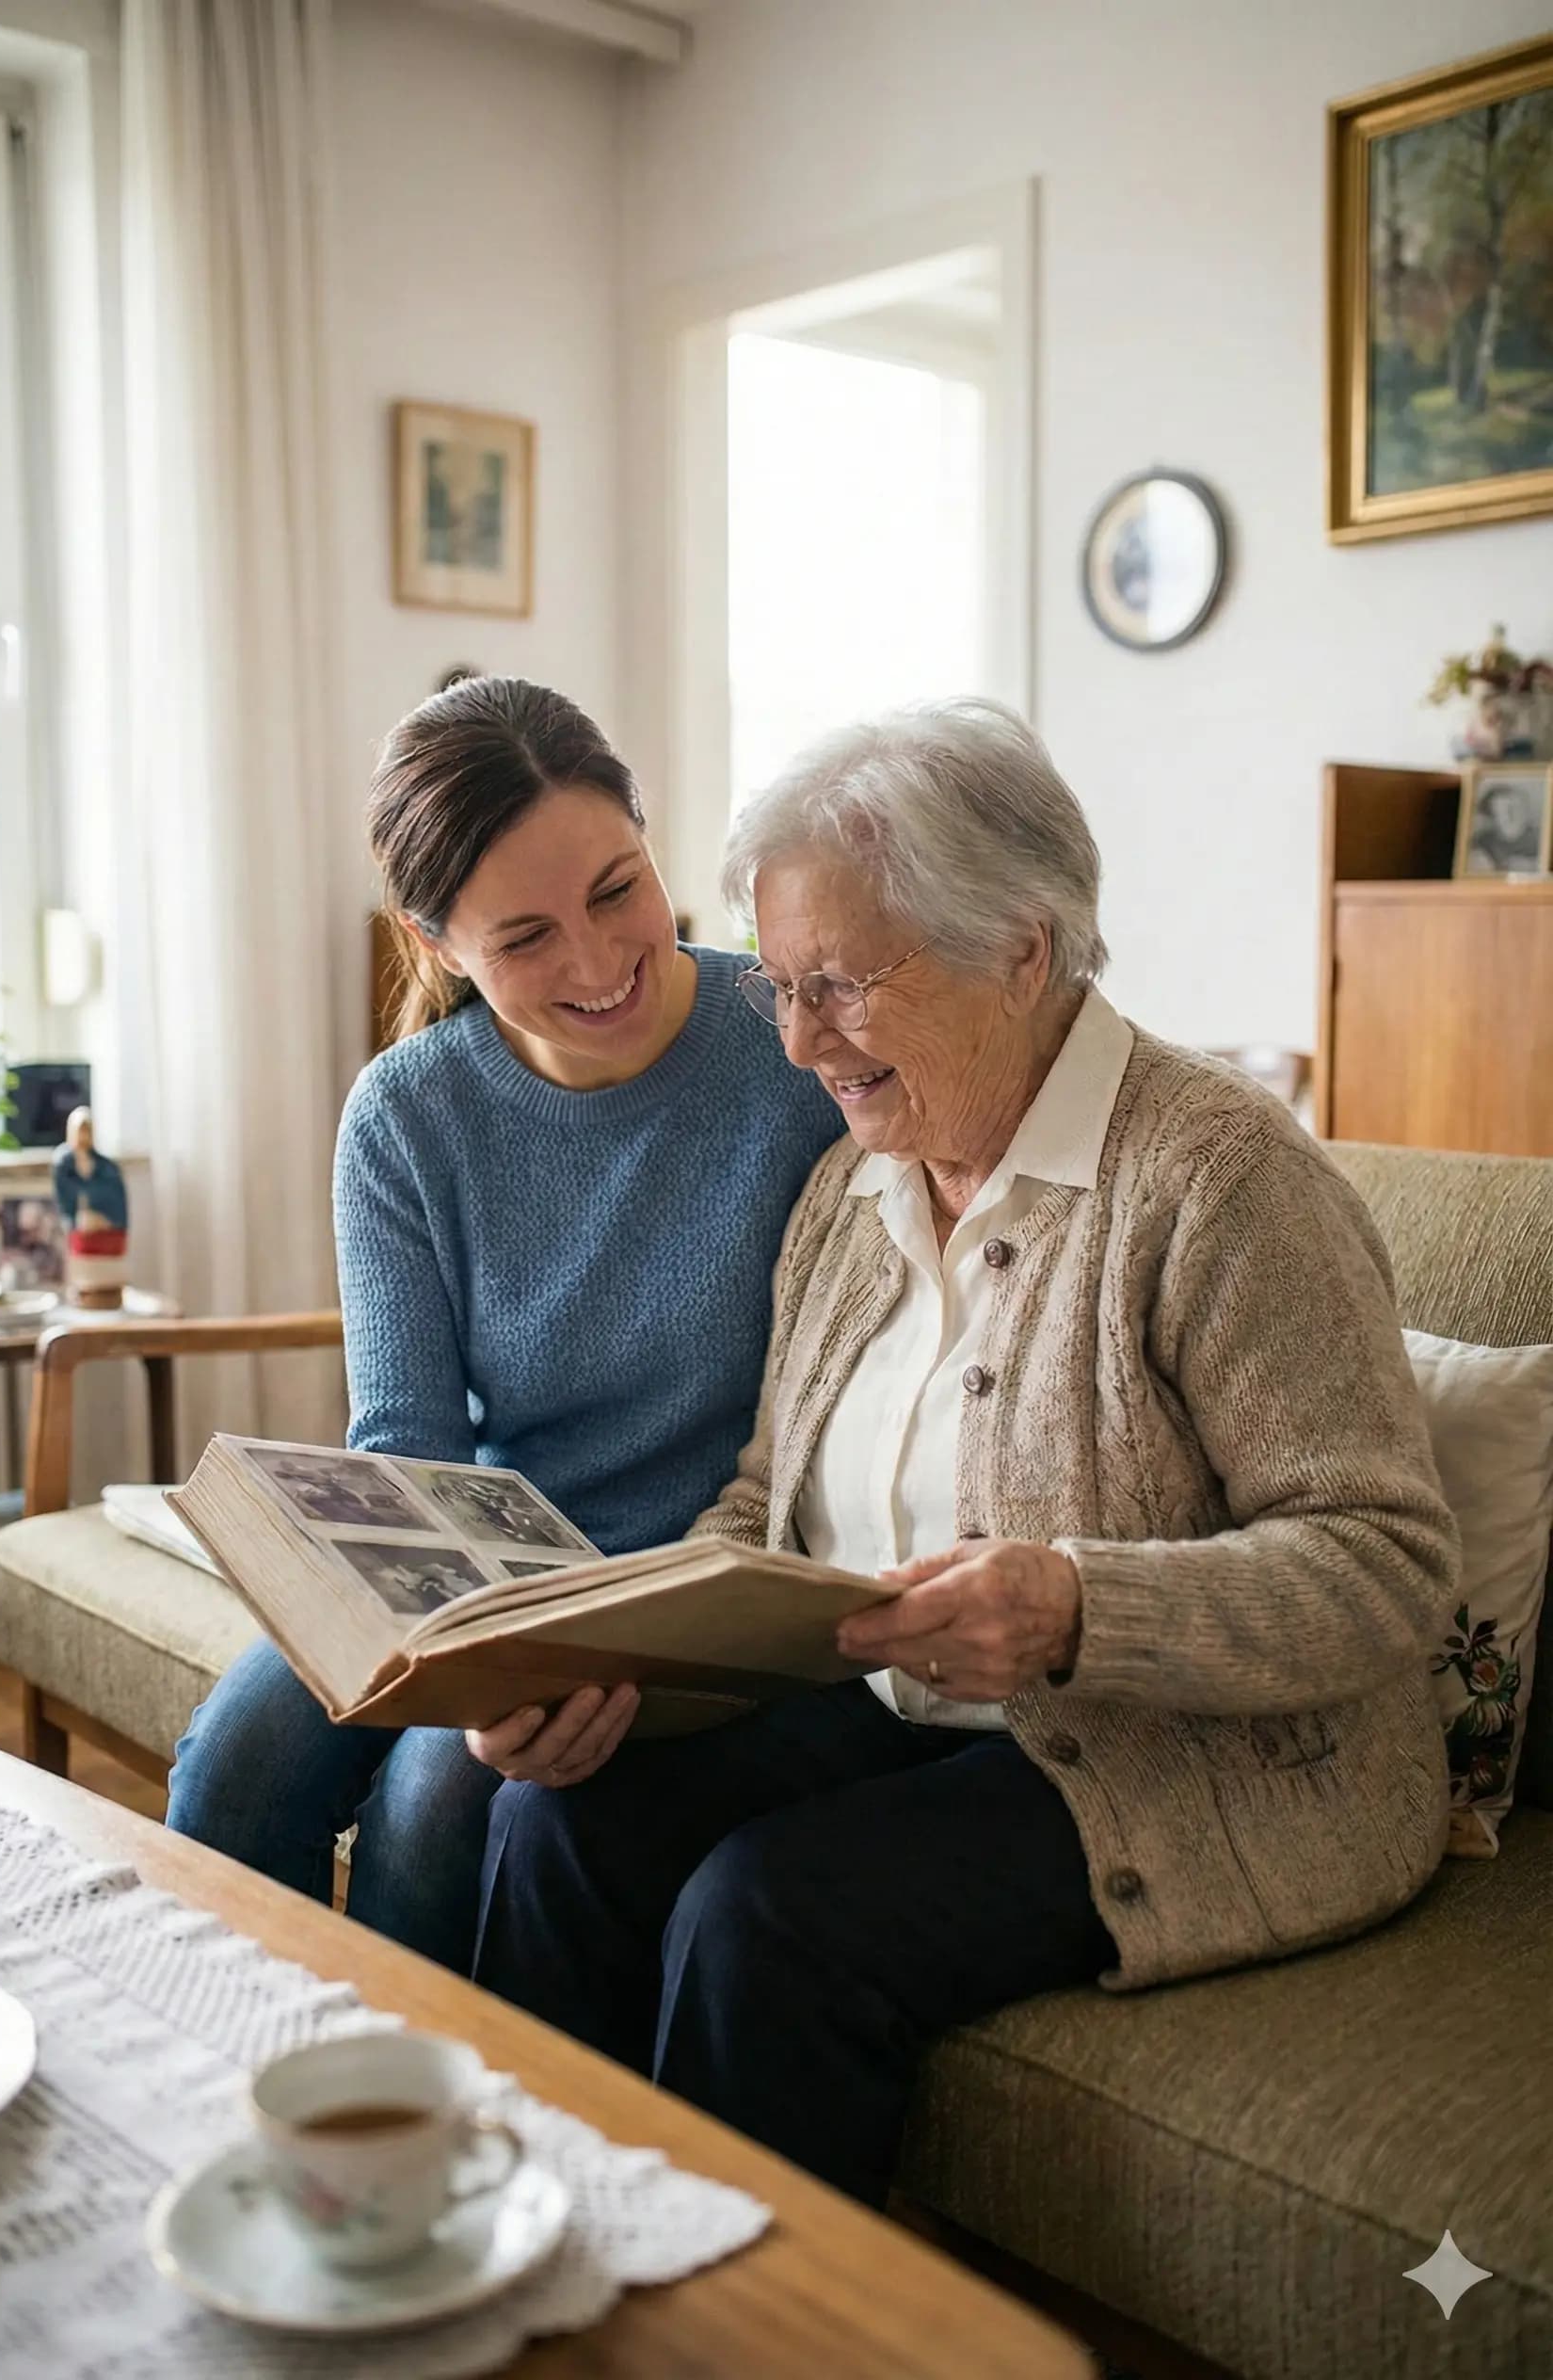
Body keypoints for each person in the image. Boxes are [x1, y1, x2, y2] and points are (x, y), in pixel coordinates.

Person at [471, 696, 1461, 2205]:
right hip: (887, 1705)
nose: (799, 1042)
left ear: (1021, 947)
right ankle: (535, 2258)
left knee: (768, 1916)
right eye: (781, 991)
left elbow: (1386, 1569)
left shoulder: (1221, 1181)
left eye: (842, 987)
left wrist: (1076, 1608)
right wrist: (619, 1648)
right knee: (563, 1820)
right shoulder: (851, 1195)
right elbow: (766, 1499)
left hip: (1177, 1761)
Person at [166, 679, 841, 1970]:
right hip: (479, 1560)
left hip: (685, 1572)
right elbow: (407, 1442)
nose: (596, 965)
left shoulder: (794, 1046)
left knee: (437, 1810)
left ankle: (431, 2139)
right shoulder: (406, 1116)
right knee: (240, 1766)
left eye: (616, 890)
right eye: (525, 937)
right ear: (437, 944)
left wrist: (508, 1687)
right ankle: (251, 2084)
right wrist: (469, 1648)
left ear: (653, 844)